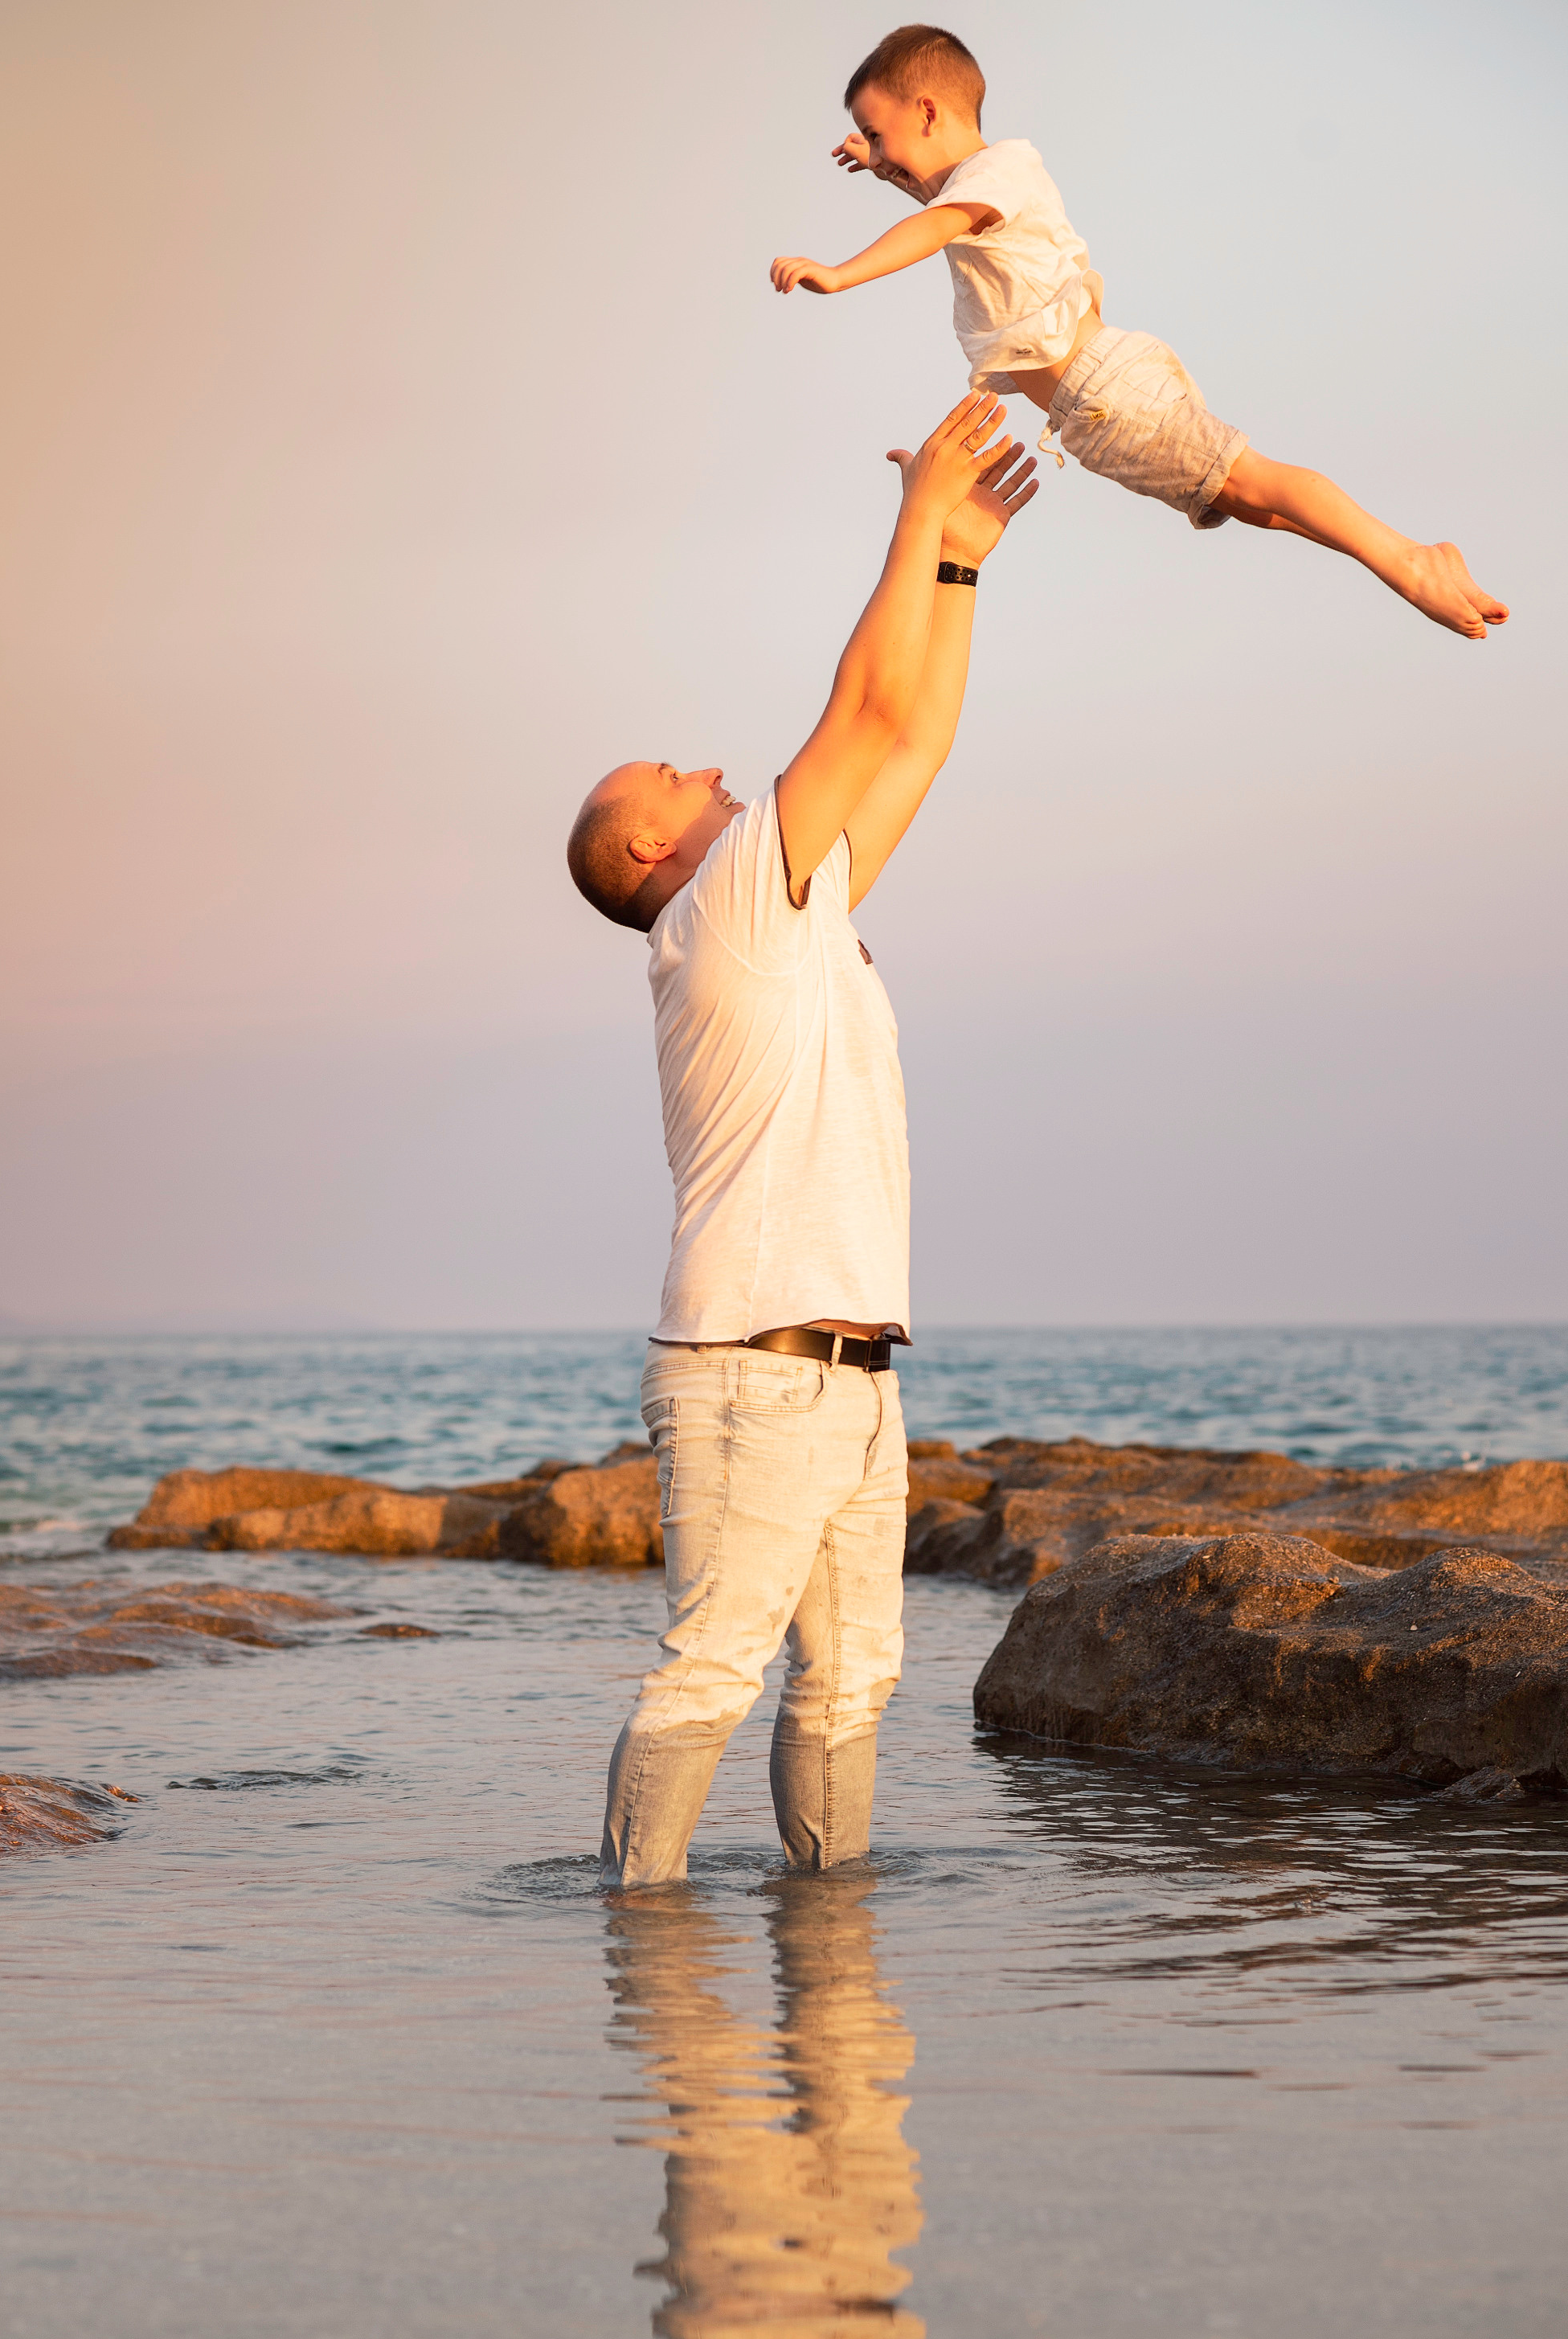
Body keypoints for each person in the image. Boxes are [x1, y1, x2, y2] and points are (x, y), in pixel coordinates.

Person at [568, 392, 1037, 1888]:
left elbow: (910, 743)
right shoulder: (716, 919)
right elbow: (850, 717)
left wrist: (956, 565)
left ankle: (827, 1964)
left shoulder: (793, 912)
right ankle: (639, 1954)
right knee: (712, 1663)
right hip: (750, 1369)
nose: (708, 772)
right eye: (673, 780)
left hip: (850, 1373)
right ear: (651, 851)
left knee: (852, 1680)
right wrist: (910, 521)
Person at [770, 23, 1509, 642]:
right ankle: (1391, 562)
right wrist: (879, 161)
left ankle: (1412, 562)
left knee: (1256, 478)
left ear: (927, 112)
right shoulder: (973, 182)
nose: (881, 156)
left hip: (1107, 391)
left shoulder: (999, 174)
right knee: (1252, 504)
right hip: (1092, 414)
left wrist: (840, 273)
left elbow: (934, 221)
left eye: (878, 132)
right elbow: (929, 187)